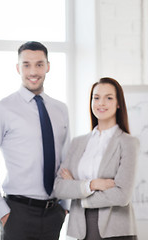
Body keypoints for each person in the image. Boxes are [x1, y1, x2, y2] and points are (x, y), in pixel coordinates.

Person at [0, 41, 70, 240]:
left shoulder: (61, 110)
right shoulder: (2, 109)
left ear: (48, 66)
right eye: (26, 65)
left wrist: (64, 206)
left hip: (53, 213)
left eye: (39, 64)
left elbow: (66, 158)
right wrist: (2, 211)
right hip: (17, 213)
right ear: (18, 68)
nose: (33, 71)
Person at [54, 77, 139, 240]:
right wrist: (93, 184)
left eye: (109, 98)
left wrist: (79, 194)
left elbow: (122, 195)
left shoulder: (128, 143)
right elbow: (59, 187)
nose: (101, 103)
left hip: (116, 231)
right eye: (96, 97)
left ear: (118, 103)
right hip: (81, 230)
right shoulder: (78, 143)